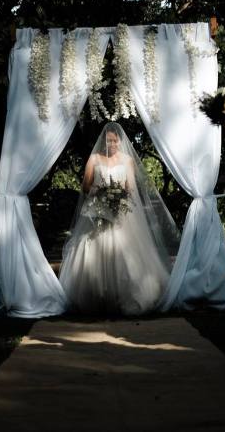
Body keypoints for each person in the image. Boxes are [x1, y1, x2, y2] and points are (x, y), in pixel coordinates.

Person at [58, 122, 179, 315]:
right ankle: (96, 297)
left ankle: (127, 295)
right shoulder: (95, 159)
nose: (112, 144)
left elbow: (130, 187)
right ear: (103, 141)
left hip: (121, 214)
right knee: (96, 249)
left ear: (120, 141)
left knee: (125, 253)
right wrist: (101, 194)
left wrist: (117, 197)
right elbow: (86, 186)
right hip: (98, 211)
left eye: (115, 141)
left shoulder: (127, 160)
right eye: (109, 141)